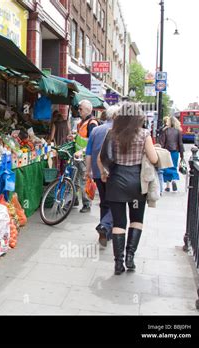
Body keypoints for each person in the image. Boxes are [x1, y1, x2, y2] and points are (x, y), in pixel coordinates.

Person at [97, 103, 158, 275]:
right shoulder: (144, 134)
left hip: (116, 181)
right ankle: (130, 257)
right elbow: (153, 159)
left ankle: (118, 263)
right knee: (136, 220)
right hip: (137, 184)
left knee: (118, 223)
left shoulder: (111, 133)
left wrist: (103, 174)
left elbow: (102, 158)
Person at [85, 106, 120, 247]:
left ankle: (105, 232)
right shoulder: (120, 131)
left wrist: (88, 171)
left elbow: (88, 153)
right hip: (114, 172)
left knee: (104, 201)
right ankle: (105, 226)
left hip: (97, 171)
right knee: (116, 202)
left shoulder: (95, 130)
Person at [74, 100, 99, 213]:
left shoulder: (92, 123)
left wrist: (82, 151)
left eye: (81, 109)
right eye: (79, 108)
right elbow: (81, 137)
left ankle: (87, 204)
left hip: (84, 156)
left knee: (85, 179)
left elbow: (92, 142)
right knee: (75, 178)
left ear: (88, 110)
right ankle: (74, 200)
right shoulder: (82, 122)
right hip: (78, 155)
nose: (79, 110)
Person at [159, 116, 184, 192]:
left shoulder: (165, 130)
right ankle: (174, 180)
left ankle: (168, 186)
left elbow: (162, 143)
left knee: (166, 168)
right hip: (175, 152)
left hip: (166, 152)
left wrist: (160, 151)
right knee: (174, 166)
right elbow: (180, 143)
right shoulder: (178, 131)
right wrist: (182, 155)